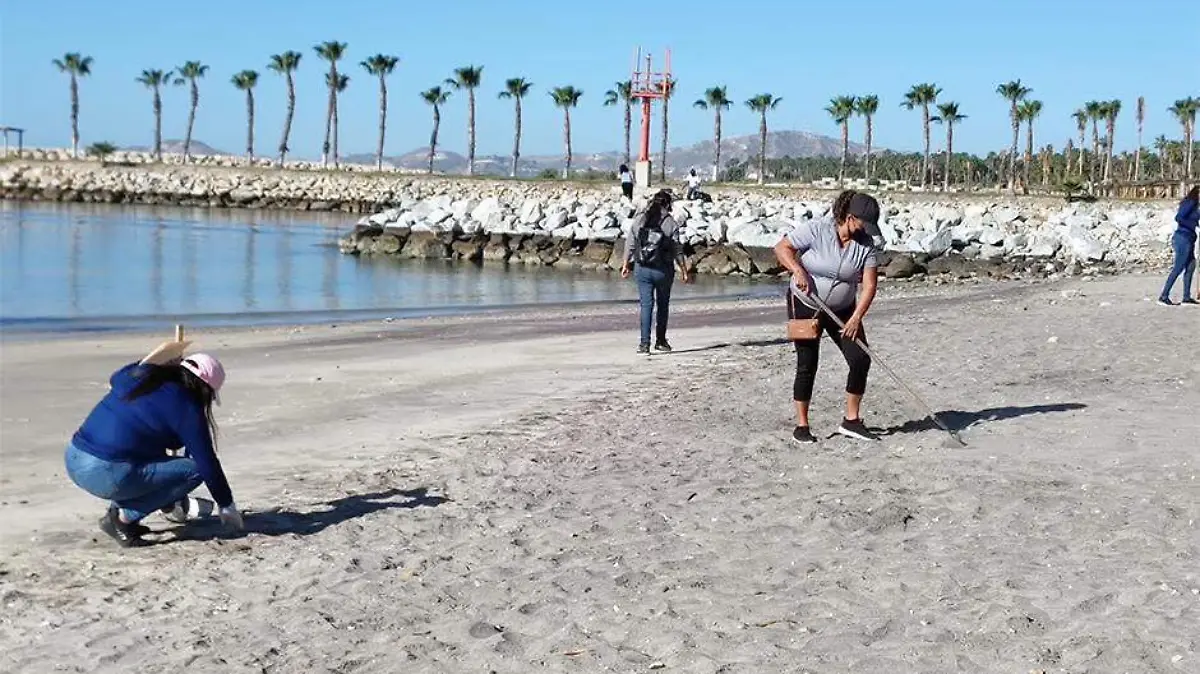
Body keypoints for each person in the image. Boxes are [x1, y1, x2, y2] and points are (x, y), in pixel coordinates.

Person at [64, 352, 243, 547]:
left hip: (74, 456)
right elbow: (206, 462)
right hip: (105, 472)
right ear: (205, 388)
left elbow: (120, 375)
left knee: (157, 456)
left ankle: (137, 508)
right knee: (195, 471)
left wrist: (160, 360)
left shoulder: (140, 377)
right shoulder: (186, 406)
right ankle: (123, 518)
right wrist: (226, 504)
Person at [774, 190, 882, 443]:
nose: (868, 230)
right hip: (805, 303)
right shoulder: (817, 229)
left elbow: (869, 286)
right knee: (807, 362)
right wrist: (798, 270)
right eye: (865, 224)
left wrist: (856, 317)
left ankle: (851, 421)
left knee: (860, 359)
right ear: (851, 218)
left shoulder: (867, 245)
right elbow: (782, 248)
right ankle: (802, 426)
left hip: (844, 309)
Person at [621, 189, 691, 353]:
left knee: (646, 306)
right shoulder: (671, 223)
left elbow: (630, 243)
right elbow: (677, 250)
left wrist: (625, 264)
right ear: (668, 205)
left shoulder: (639, 219)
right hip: (663, 270)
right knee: (662, 305)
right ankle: (660, 341)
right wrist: (684, 270)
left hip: (642, 268)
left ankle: (644, 344)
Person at [1159, 185, 1199, 306]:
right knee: (1178, 267)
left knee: (1191, 265)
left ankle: (1186, 297)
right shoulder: (1190, 202)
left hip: (1190, 239)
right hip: (1182, 238)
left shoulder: (1196, 206)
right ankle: (1163, 296)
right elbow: (1179, 217)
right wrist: (1195, 226)